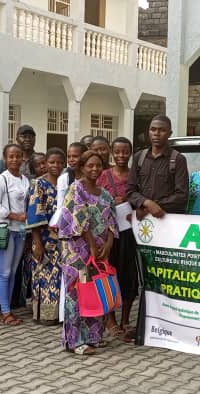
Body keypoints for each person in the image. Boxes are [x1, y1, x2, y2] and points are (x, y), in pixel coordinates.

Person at [126, 115, 189, 344]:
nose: (156, 134)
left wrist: (153, 206)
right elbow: (130, 191)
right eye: (153, 129)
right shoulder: (139, 157)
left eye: (161, 130)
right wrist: (144, 203)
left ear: (169, 133)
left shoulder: (177, 160)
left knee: (166, 276)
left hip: (167, 229)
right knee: (144, 276)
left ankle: (171, 327)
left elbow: (182, 196)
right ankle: (143, 325)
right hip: (143, 229)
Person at [57, 150, 118, 355]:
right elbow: (79, 219)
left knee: (95, 291)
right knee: (77, 294)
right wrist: (91, 245)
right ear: (82, 167)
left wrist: (108, 244)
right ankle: (75, 341)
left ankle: (94, 336)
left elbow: (112, 221)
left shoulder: (105, 194)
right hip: (77, 251)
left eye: (98, 165)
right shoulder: (76, 188)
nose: (94, 169)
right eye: (90, 165)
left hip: (100, 251)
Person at [98, 137, 139, 339]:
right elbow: (95, 200)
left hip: (130, 233)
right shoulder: (104, 176)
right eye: (117, 151)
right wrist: (110, 203)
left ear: (130, 153)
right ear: (112, 152)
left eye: (125, 151)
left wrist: (131, 203)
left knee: (129, 276)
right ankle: (111, 319)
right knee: (109, 274)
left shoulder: (135, 175)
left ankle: (126, 319)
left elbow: (142, 198)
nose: (121, 155)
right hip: (109, 234)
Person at [0, 144, 31, 325]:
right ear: (5, 159)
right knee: (5, 272)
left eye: (18, 156)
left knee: (13, 272)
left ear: (23, 158)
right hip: (4, 230)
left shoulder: (25, 180)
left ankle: (7, 309)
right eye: (11, 156)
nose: (15, 159)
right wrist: (15, 216)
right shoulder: (1, 180)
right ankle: (5, 313)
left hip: (20, 231)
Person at [26, 148, 66, 325]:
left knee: (60, 277)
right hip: (43, 238)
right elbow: (34, 214)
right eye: (52, 162)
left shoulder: (66, 182)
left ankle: (60, 314)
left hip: (63, 240)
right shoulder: (39, 184)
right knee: (44, 275)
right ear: (46, 163)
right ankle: (45, 314)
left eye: (60, 162)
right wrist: (37, 243)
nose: (56, 165)